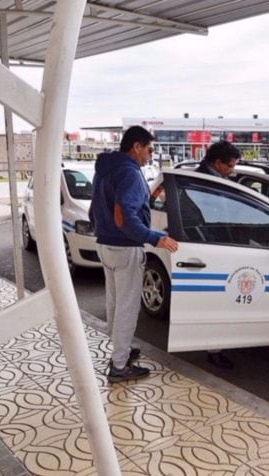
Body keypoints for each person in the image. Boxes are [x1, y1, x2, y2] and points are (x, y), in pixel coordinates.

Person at [90, 126, 179, 383]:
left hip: (105, 245)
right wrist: (155, 237)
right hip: (125, 247)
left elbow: (95, 209)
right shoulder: (129, 172)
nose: (150, 155)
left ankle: (121, 350)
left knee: (115, 304)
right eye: (149, 149)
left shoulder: (105, 169)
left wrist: (102, 230)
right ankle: (119, 366)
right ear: (136, 146)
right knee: (127, 309)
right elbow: (123, 216)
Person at [195, 140, 241, 369]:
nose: (232, 170)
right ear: (217, 163)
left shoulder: (210, 177)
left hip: (212, 245)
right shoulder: (205, 181)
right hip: (210, 246)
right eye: (230, 165)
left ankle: (214, 347)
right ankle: (213, 350)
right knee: (216, 302)